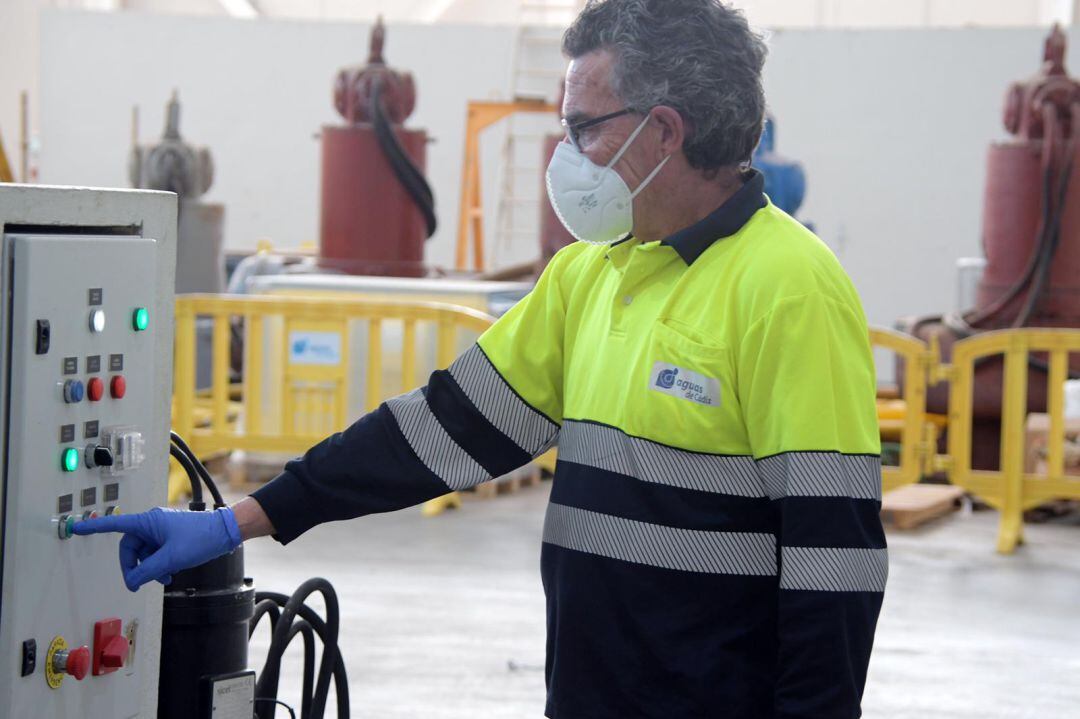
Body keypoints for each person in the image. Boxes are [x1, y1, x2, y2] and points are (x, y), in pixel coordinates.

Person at [76, 1, 886, 716]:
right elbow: (442, 431)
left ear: (665, 130)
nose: (564, 155)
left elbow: (834, 564)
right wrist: (235, 521)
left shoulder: (789, 287)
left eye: (583, 126)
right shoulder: (592, 273)